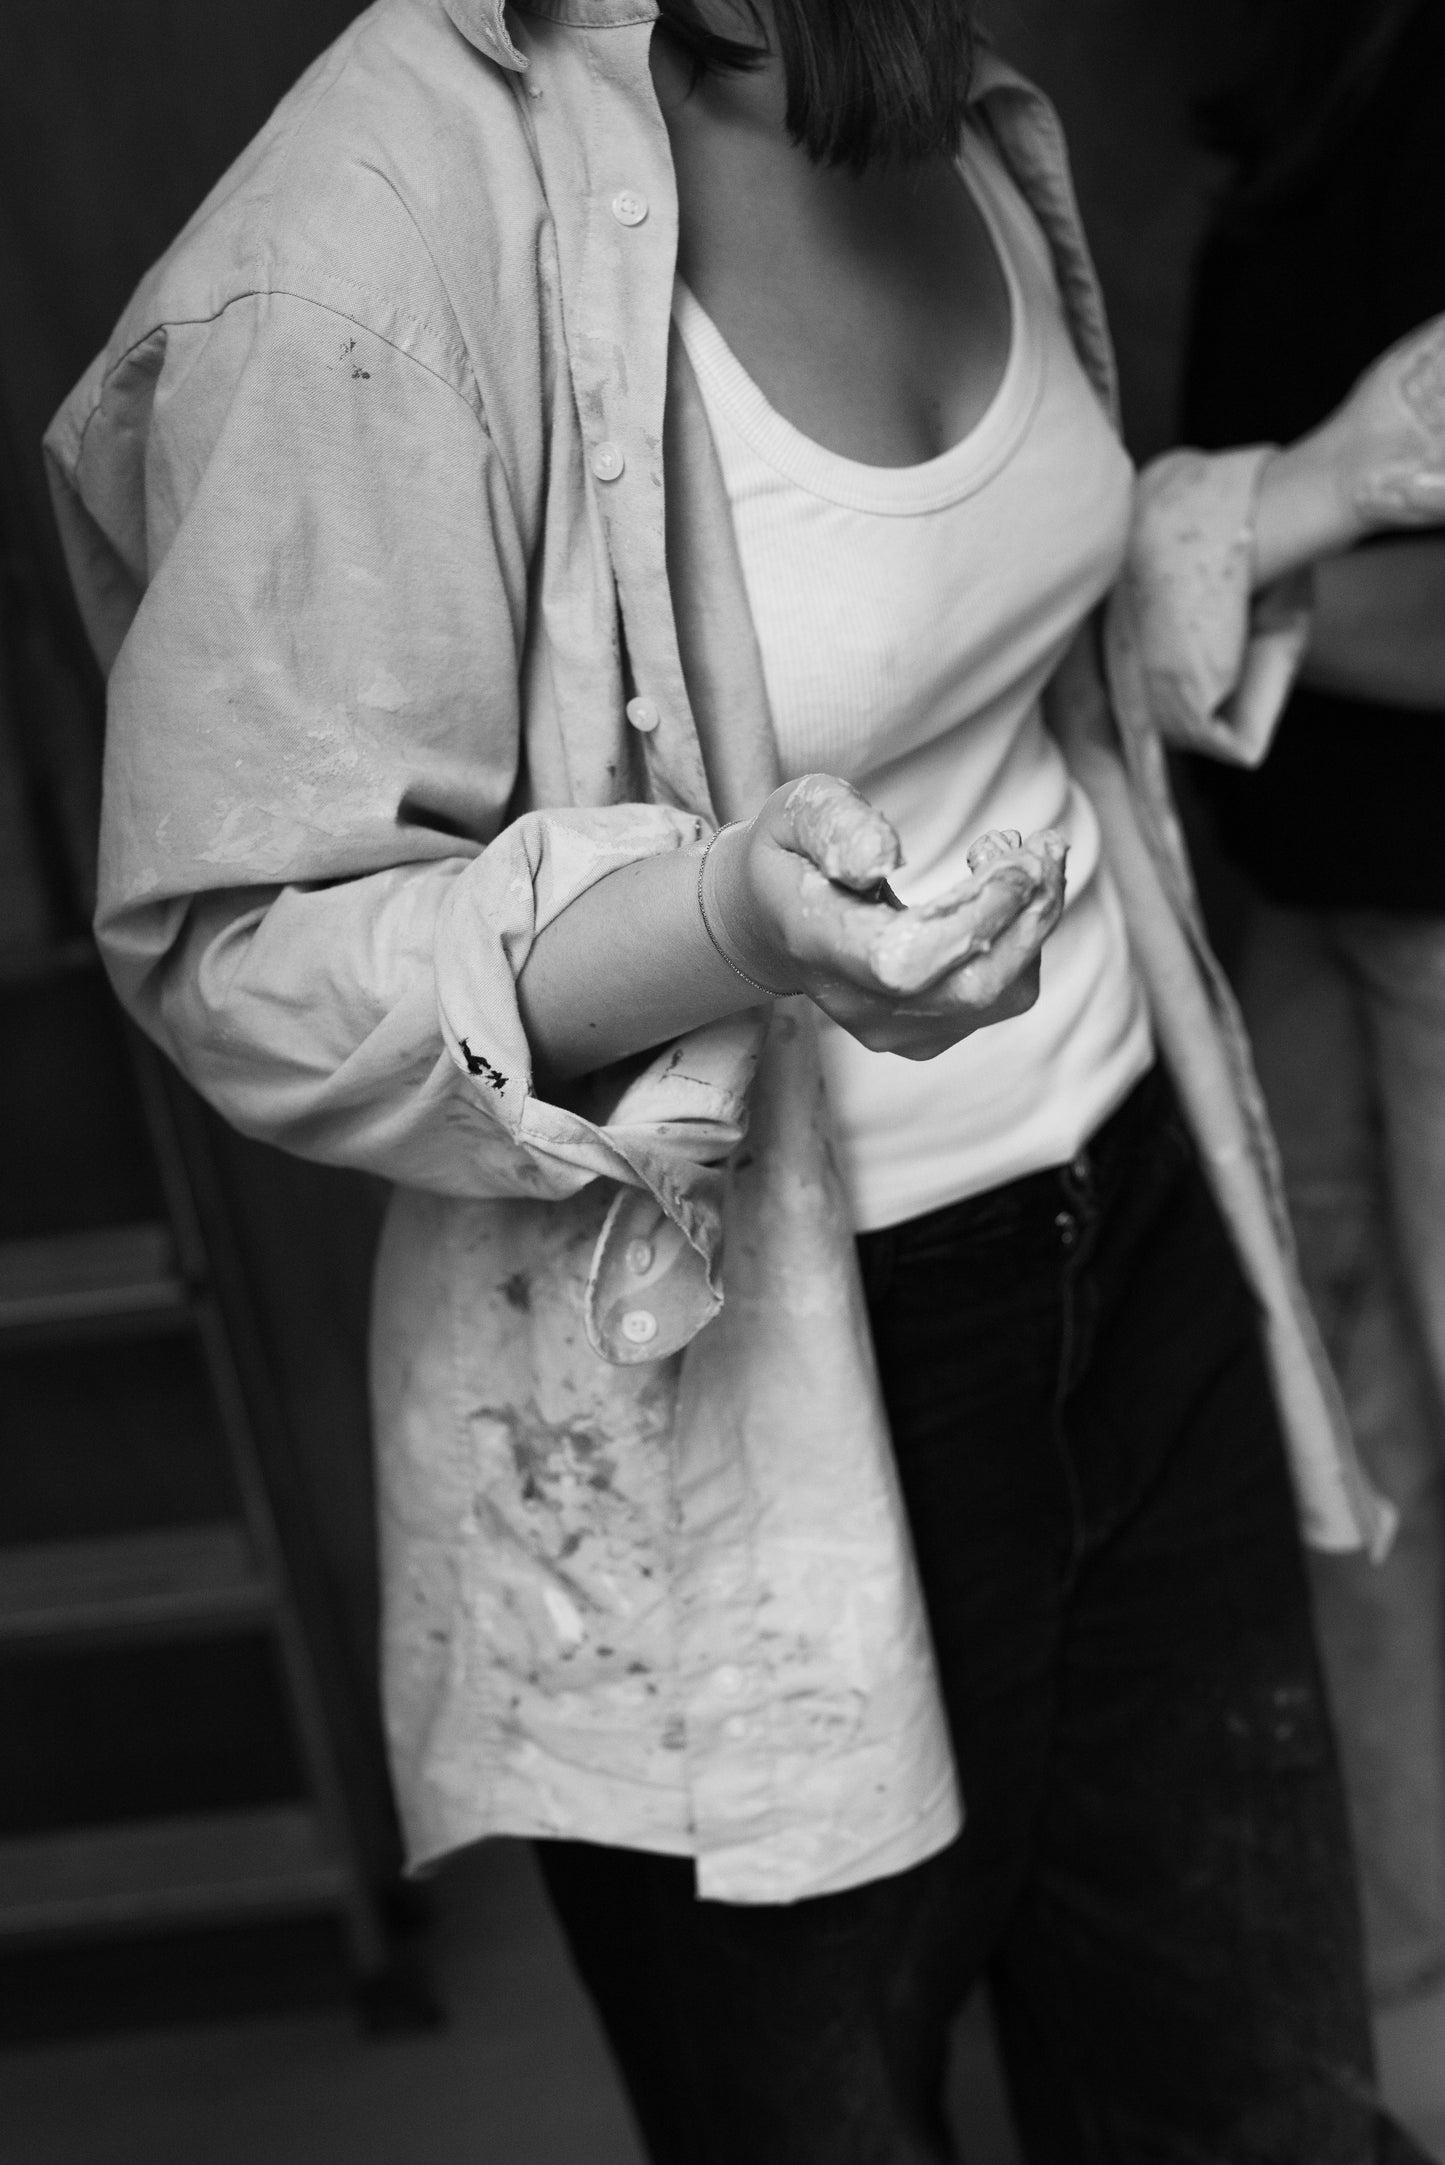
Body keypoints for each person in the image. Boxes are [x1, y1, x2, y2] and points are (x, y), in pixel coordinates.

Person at [41, 0, 1445, 2155]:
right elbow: (244, 945)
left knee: (1254, 2111)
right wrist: (729, 929)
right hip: (730, 1396)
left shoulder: (915, 70)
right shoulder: (359, 236)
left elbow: (961, 631)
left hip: (1132, 1229)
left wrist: (1304, 493)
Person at [1171, 0, 1445, 2097]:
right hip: (1304, 886)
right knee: (1344, 1444)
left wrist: (1173, 586)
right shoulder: (1300, 81)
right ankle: (1413, 1996)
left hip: (1426, 898)